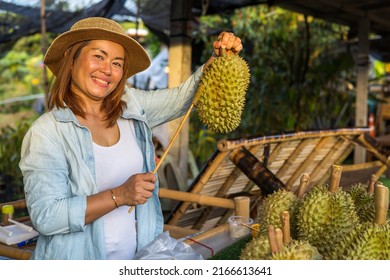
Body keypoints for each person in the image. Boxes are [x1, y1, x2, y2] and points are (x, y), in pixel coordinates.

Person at [19, 17, 243, 260]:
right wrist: (120, 195)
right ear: (70, 60)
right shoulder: (47, 132)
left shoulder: (131, 106)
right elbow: (46, 217)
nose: (107, 69)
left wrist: (218, 58)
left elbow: (181, 100)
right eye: (98, 56)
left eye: (117, 62)